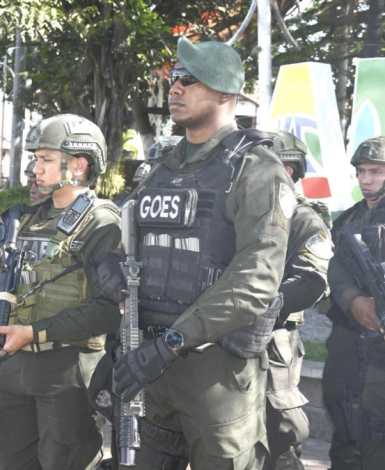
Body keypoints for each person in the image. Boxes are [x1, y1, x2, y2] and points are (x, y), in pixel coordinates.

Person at [110, 37, 293, 469]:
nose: (174, 88)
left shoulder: (256, 169)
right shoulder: (161, 168)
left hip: (215, 371)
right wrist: (109, 268)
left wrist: (172, 343)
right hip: (147, 362)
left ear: (225, 93)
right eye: (174, 78)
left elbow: (256, 280)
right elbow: (127, 239)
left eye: (189, 80)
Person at [0, 114, 121, 469]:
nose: (34, 168)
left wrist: (35, 332)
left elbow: (109, 309)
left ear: (78, 165)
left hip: (67, 369)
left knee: (65, 460)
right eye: (35, 158)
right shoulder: (21, 218)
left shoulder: (103, 223)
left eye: (46, 159)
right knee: (10, 459)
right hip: (12, 363)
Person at [267, 131, 332, 470]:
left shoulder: (303, 218)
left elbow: (311, 280)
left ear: (287, 171)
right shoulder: (240, 212)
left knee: (279, 434)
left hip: (274, 338)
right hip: (225, 337)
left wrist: (259, 304)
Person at [326, 136, 385, 469]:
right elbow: (332, 266)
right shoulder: (347, 220)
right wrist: (352, 299)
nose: (366, 179)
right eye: (361, 171)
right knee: (345, 421)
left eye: (376, 171)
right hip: (350, 335)